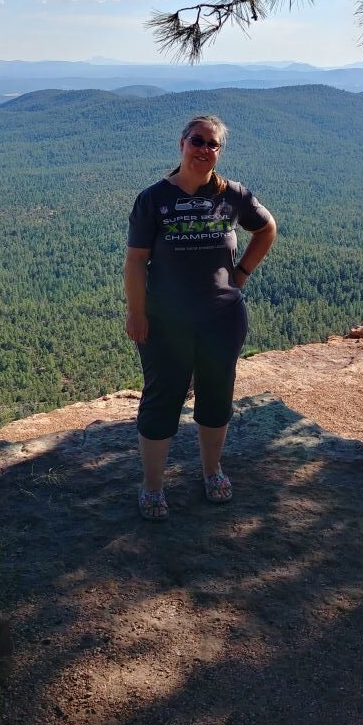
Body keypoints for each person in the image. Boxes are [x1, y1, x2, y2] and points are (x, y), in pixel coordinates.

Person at [125, 114, 277, 520]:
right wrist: (136, 313)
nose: (204, 149)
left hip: (222, 317)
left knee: (216, 396)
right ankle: (153, 487)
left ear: (219, 151)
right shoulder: (153, 199)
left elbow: (266, 229)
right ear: (182, 143)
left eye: (213, 144)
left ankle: (212, 472)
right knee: (162, 398)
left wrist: (240, 274)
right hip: (165, 321)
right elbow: (136, 262)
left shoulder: (234, 195)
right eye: (198, 141)